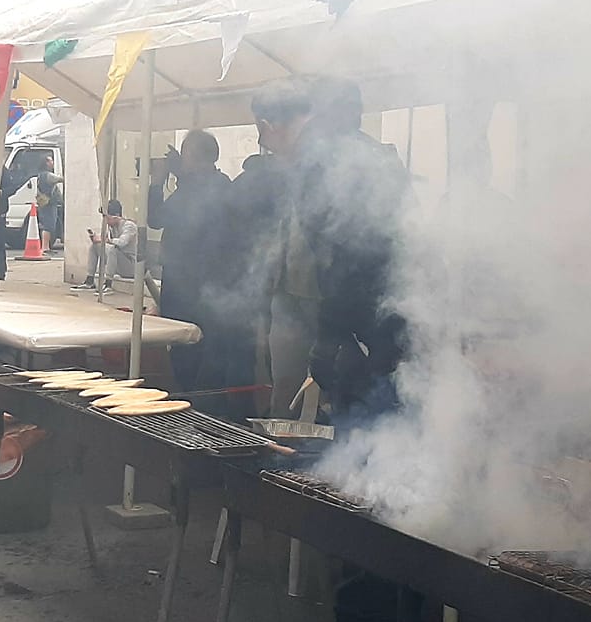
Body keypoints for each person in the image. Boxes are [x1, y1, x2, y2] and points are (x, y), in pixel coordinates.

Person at [295, 78, 410, 433]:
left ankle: (360, 466)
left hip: (352, 302)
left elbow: (326, 240)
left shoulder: (325, 162)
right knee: (383, 398)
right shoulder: (384, 158)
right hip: (392, 299)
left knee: (352, 397)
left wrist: (329, 331)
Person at [242, 78, 320, 416]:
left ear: (267, 125)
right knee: (286, 391)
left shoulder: (328, 159)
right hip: (291, 293)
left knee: (325, 394)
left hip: (325, 302)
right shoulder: (296, 163)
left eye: (265, 140)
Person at [148, 130, 241, 389]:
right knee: (206, 349)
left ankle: (192, 404)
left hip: (187, 283)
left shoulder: (198, 189)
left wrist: (157, 182)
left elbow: (155, 218)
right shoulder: (221, 184)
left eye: (185, 153)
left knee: (186, 346)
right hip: (210, 282)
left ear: (193, 156)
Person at [85, 200, 139, 290]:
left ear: (116, 216)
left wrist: (105, 240)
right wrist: (97, 239)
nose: (105, 221)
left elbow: (122, 242)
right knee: (95, 247)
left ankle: (108, 284)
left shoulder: (129, 226)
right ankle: (89, 280)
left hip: (130, 265)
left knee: (112, 249)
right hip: (117, 263)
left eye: (107, 217)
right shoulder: (111, 228)